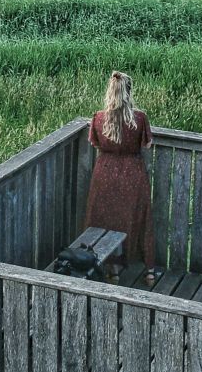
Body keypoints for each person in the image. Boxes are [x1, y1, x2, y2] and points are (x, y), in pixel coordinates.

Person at [83, 71, 160, 284]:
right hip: (133, 173)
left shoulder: (98, 118)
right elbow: (147, 144)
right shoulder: (139, 118)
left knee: (104, 219)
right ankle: (150, 271)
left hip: (105, 172)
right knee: (139, 219)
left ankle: (112, 269)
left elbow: (95, 144)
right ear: (129, 92)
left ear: (110, 92)